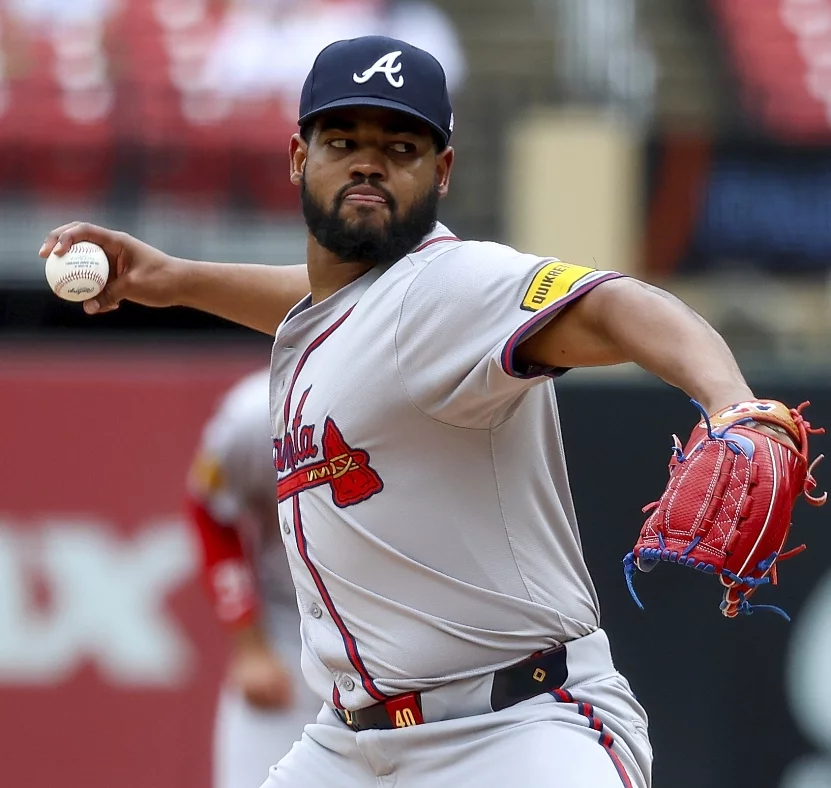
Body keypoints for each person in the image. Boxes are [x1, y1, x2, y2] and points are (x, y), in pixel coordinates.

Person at [39, 35, 781, 788]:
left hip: (514, 731)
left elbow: (618, 304)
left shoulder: (456, 287)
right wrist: (172, 276)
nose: (369, 161)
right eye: (343, 140)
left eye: (400, 145)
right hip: (349, 744)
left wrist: (730, 401)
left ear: (443, 170)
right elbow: (328, 307)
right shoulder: (336, 312)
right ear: (299, 157)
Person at [186, 368, 321, 788]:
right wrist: (251, 646)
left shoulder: (430, 395)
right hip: (293, 633)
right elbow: (208, 506)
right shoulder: (258, 413)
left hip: (412, 639)